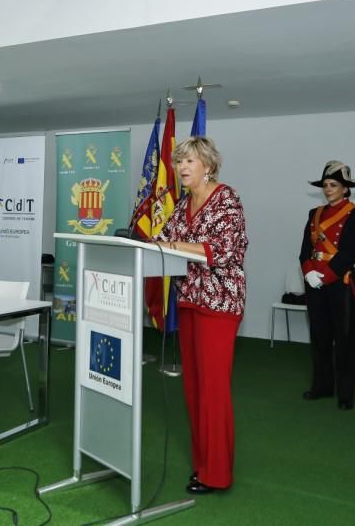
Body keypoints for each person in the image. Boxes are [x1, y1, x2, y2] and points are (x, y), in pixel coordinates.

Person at [155, 136, 248, 495]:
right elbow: (163, 239)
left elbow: (225, 251)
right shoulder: (181, 204)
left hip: (219, 304)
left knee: (213, 389)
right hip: (190, 301)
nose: (181, 168)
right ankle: (201, 464)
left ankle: (217, 474)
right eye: (179, 162)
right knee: (193, 389)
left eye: (189, 162)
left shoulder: (227, 198)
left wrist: (176, 245)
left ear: (207, 165)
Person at [298, 161, 355, 411]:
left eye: (334, 185)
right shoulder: (314, 214)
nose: (328, 189)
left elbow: (350, 252)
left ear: (346, 188)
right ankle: (322, 386)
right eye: (326, 185)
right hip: (314, 281)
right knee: (319, 336)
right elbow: (305, 250)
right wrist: (308, 272)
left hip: (339, 282)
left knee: (345, 338)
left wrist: (325, 276)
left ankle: (346, 393)